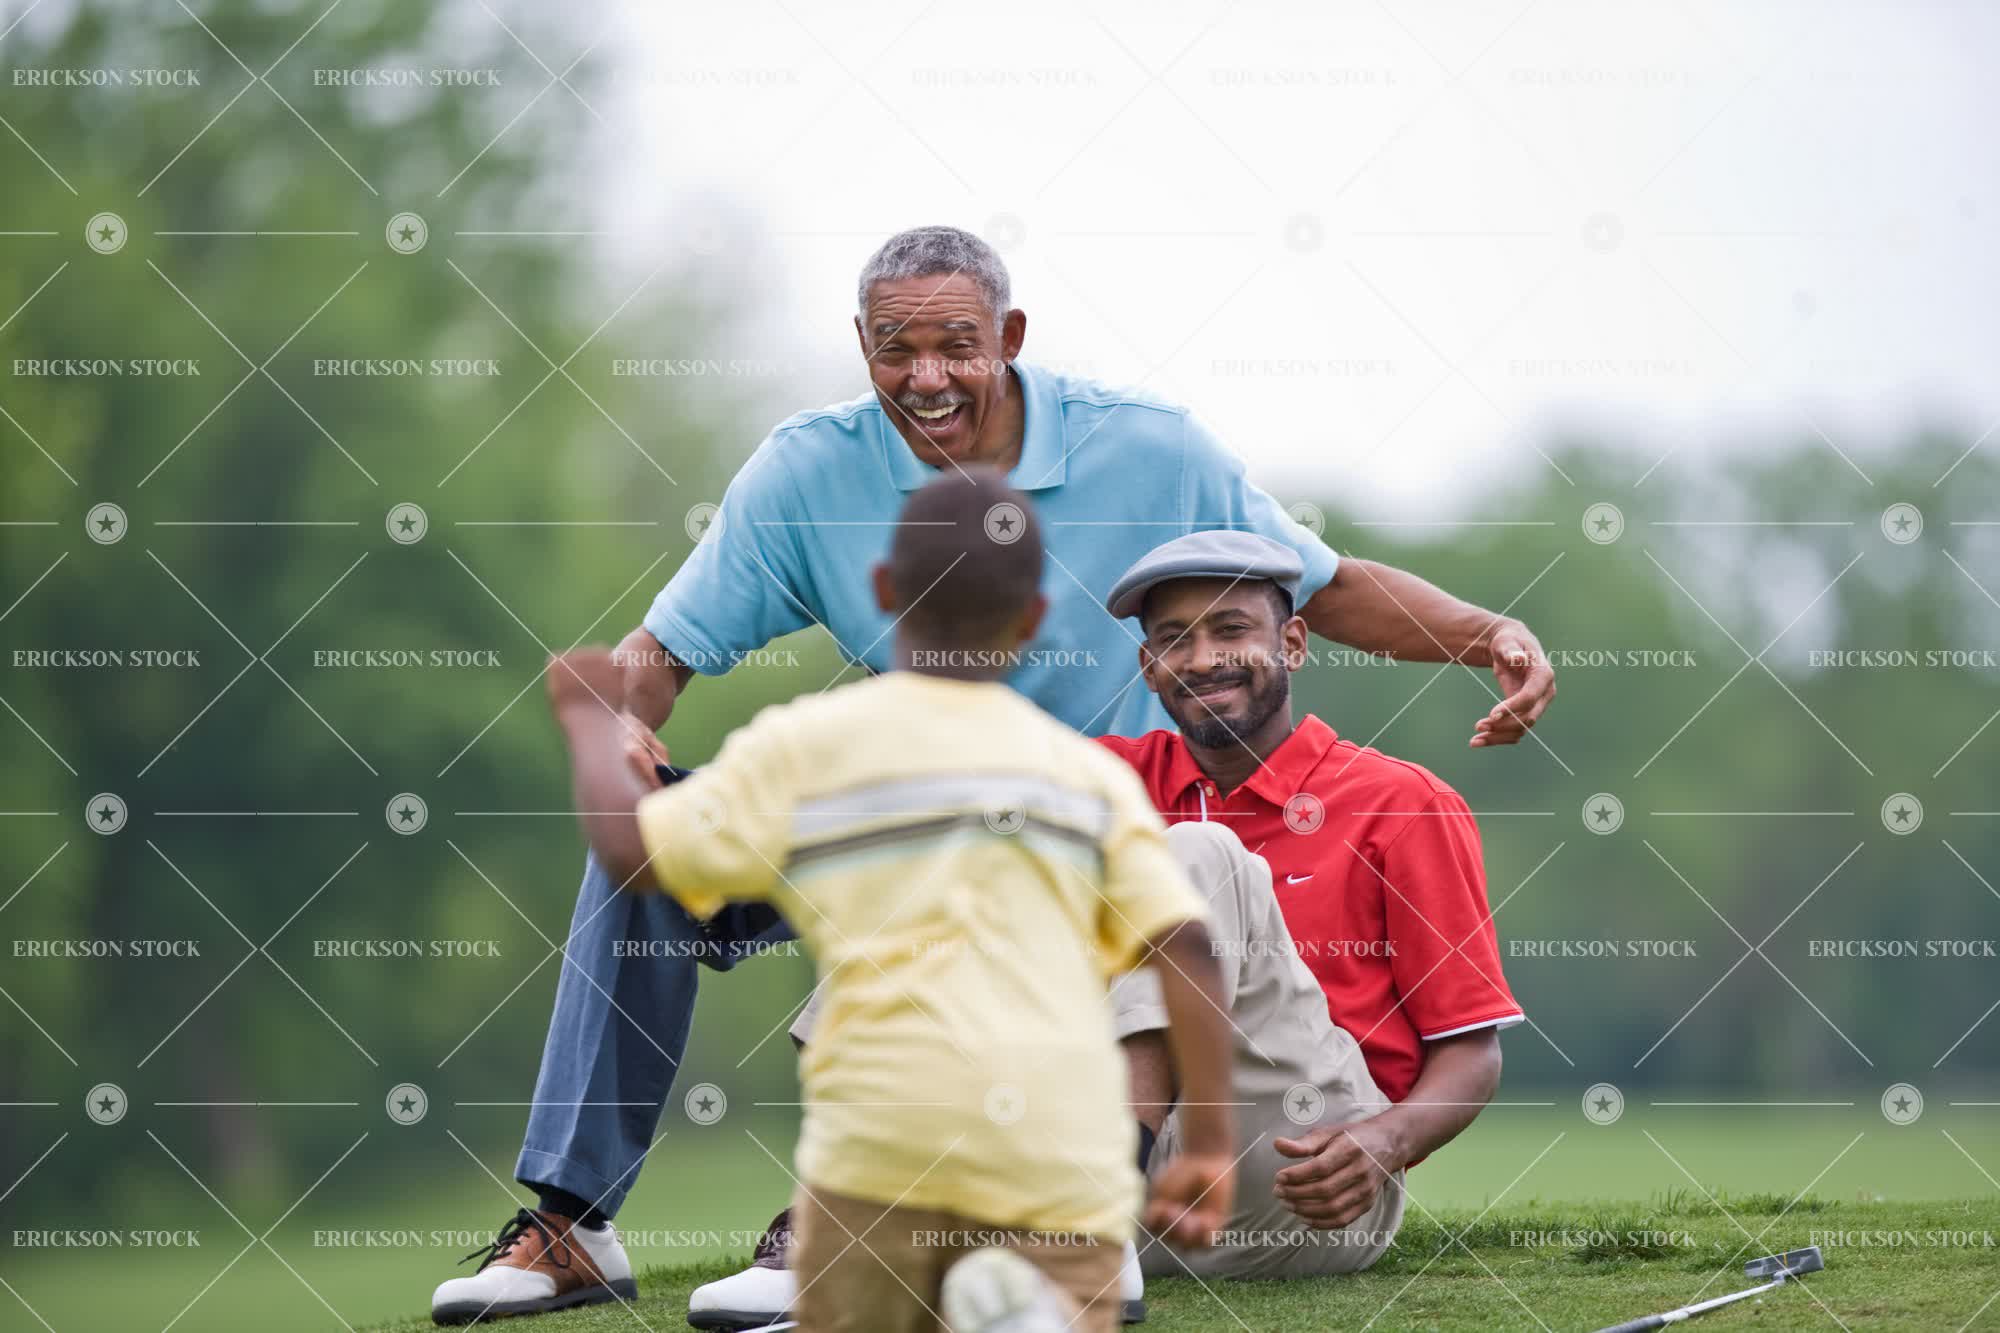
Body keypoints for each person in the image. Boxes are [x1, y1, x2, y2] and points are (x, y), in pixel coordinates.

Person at [427, 223, 1556, 1324]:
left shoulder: (1151, 453)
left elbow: (1324, 585)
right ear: (861, 346)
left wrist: (1488, 635)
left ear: (1009, 337)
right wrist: (623, 725)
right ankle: (577, 1224)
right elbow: (661, 653)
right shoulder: (806, 472)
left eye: (956, 346)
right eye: (895, 349)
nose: (926, 378)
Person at [527, 470, 1239, 1333]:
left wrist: (589, 725)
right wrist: (1206, 1138)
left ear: (882, 593)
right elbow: (1185, 947)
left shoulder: (806, 749)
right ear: (1033, 620)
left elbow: (634, 856)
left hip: (872, 1172)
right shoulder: (1087, 777)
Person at [1099, 530, 1524, 1275]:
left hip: (1302, 1180)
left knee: (1197, 853)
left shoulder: (1402, 802)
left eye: (1231, 630)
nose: (1203, 659)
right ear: (1149, 666)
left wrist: (1385, 1143)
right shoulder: (1105, 778)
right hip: (1138, 1193)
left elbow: (1472, 1052)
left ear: (1293, 644)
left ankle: (1093, 1207)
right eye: (1174, 640)